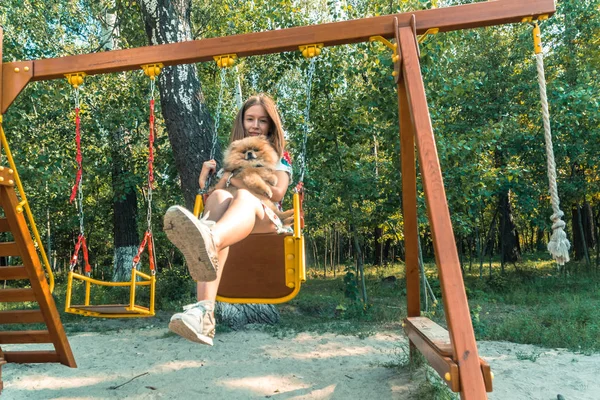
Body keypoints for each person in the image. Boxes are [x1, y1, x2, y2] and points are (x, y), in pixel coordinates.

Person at [163, 94, 292, 346]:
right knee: (221, 195)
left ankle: (209, 239)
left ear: (271, 125)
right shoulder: (234, 155)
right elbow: (218, 194)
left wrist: (235, 179)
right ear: (242, 122)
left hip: (265, 219)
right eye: (250, 119)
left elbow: (276, 193)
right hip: (231, 223)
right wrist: (204, 181)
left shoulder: (277, 156)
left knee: (241, 194)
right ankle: (203, 314)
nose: (255, 125)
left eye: (262, 121)